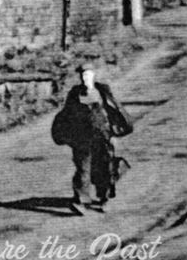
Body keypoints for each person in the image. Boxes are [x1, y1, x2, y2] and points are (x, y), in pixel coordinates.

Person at [50, 63, 133, 214]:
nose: (84, 78)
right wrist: (66, 135)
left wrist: (116, 132)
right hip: (82, 138)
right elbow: (66, 115)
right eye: (82, 75)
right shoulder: (75, 93)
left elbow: (114, 111)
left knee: (104, 168)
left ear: (94, 75)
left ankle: (104, 199)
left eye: (87, 74)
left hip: (102, 136)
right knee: (83, 170)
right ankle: (81, 202)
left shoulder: (103, 91)